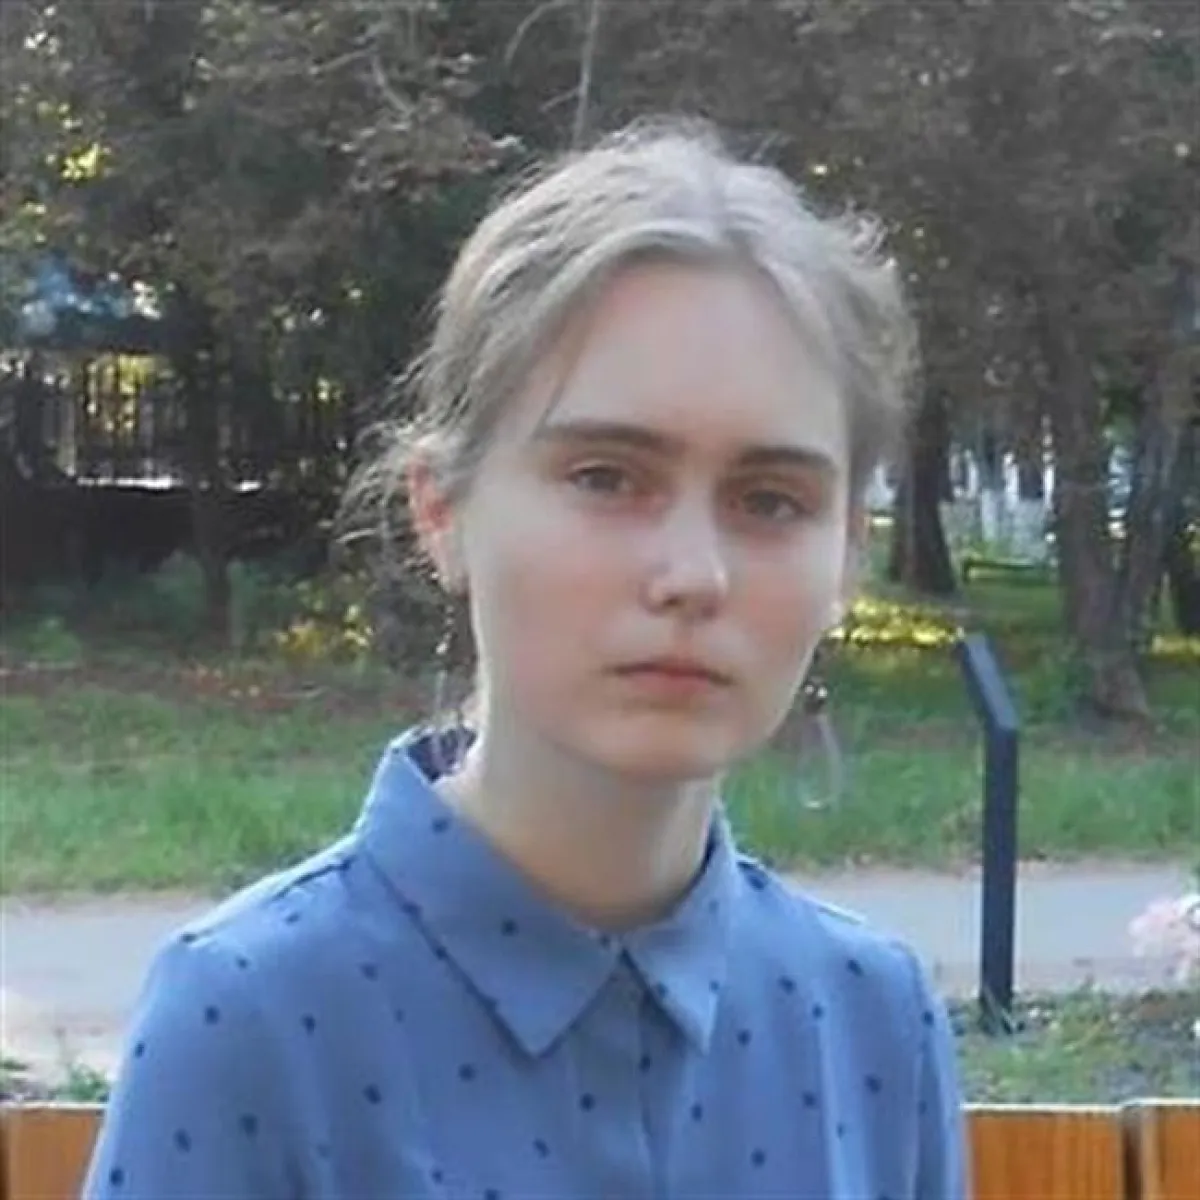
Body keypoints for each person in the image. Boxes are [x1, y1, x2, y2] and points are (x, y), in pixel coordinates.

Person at [83, 118, 968, 1200]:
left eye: (771, 500)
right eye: (606, 477)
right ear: (442, 510)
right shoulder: (252, 1021)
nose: (693, 574)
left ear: (847, 556)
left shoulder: (872, 1022)